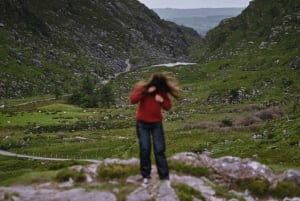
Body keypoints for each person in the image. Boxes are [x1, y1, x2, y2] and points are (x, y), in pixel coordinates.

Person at [129, 72, 181, 185]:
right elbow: (133, 100)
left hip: (156, 124)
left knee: (159, 150)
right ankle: (146, 176)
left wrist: (161, 100)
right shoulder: (142, 88)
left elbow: (168, 107)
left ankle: (164, 177)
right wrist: (146, 92)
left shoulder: (161, 92)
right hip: (142, 124)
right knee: (145, 149)